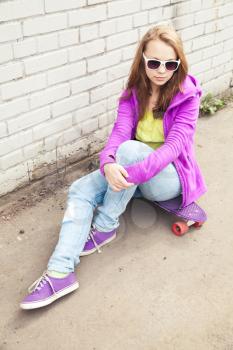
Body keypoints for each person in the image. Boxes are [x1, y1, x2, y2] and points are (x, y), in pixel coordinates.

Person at [20, 23, 207, 310]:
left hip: (169, 178)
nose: (161, 70)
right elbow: (118, 134)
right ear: (142, 60)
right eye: (154, 62)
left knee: (129, 151)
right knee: (80, 189)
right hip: (132, 172)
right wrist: (108, 163)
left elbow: (172, 149)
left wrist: (126, 173)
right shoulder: (134, 93)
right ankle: (60, 272)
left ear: (179, 64)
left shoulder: (187, 96)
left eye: (170, 64)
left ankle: (106, 224)